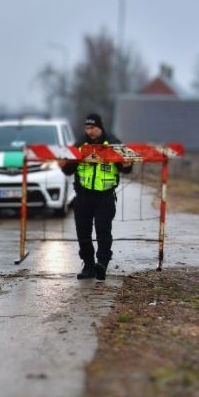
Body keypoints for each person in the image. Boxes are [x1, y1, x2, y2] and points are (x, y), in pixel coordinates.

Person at [60, 113, 132, 281]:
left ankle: (102, 264)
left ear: (100, 128)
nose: (89, 131)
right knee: (83, 233)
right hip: (83, 196)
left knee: (103, 231)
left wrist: (127, 164)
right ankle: (88, 265)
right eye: (87, 128)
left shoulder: (114, 143)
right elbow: (68, 170)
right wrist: (64, 164)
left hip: (105, 197)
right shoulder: (79, 144)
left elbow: (127, 167)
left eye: (93, 128)